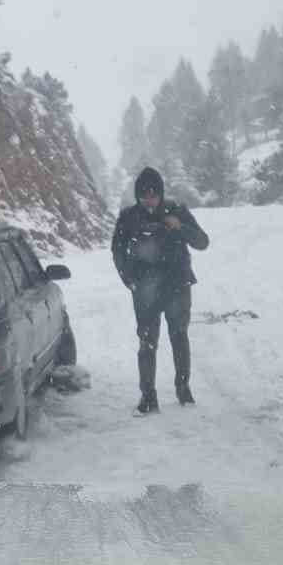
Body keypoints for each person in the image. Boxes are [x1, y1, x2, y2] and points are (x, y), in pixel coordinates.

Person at [111, 166, 210, 415]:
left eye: (154, 194)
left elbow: (202, 242)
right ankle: (148, 396)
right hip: (145, 289)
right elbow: (117, 250)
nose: (149, 199)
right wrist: (129, 280)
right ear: (137, 195)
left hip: (177, 285)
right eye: (143, 195)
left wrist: (180, 227)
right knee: (147, 342)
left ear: (161, 193)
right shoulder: (128, 217)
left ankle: (183, 389)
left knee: (179, 337)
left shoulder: (176, 211)